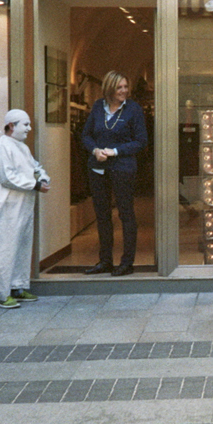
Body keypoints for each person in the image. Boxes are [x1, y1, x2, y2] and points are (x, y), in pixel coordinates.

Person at [82, 70, 148, 277]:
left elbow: (141, 141)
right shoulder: (97, 107)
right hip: (98, 168)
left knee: (126, 214)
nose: (124, 91)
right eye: (119, 87)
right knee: (102, 215)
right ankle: (105, 261)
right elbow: (85, 135)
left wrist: (115, 151)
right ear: (109, 88)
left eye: (126, 87)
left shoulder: (133, 110)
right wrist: (95, 150)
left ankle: (127, 262)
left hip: (123, 167)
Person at [0, 109, 49, 309]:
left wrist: (42, 177)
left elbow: (34, 166)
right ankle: (0, 294)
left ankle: (17, 287)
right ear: (11, 126)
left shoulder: (21, 147)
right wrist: (35, 184)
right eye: (25, 124)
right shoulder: (1, 147)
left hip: (22, 206)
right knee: (4, 249)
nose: (29, 128)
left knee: (21, 247)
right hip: (6, 208)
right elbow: (7, 177)